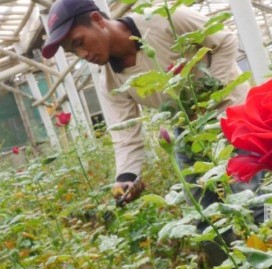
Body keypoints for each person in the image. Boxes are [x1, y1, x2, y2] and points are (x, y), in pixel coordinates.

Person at [41, 0, 255, 208]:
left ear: (97, 20)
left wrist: (210, 94)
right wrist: (125, 178)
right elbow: (125, 134)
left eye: (79, 42)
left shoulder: (164, 18)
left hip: (229, 111)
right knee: (201, 205)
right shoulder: (110, 82)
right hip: (187, 126)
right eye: (73, 51)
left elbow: (224, 41)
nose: (83, 55)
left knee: (251, 196)